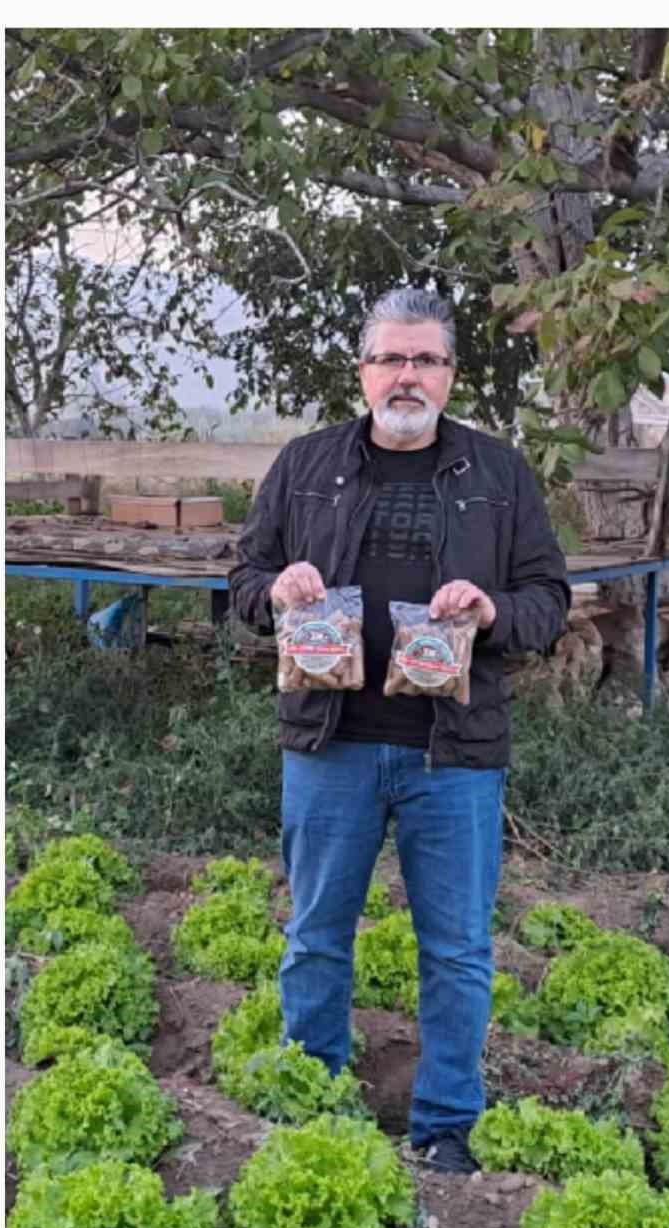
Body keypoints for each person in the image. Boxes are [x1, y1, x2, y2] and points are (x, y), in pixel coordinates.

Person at [229, 287, 570, 1173]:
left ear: (452, 376)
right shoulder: (306, 466)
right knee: (314, 937)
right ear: (363, 372)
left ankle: (446, 1126)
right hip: (329, 745)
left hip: (452, 756)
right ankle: (314, 1102)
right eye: (391, 359)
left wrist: (494, 610)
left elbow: (550, 602)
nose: (406, 376)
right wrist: (275, 590)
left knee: (456, 950)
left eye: (426, 360)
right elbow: (240, 581)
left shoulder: (499, 476)